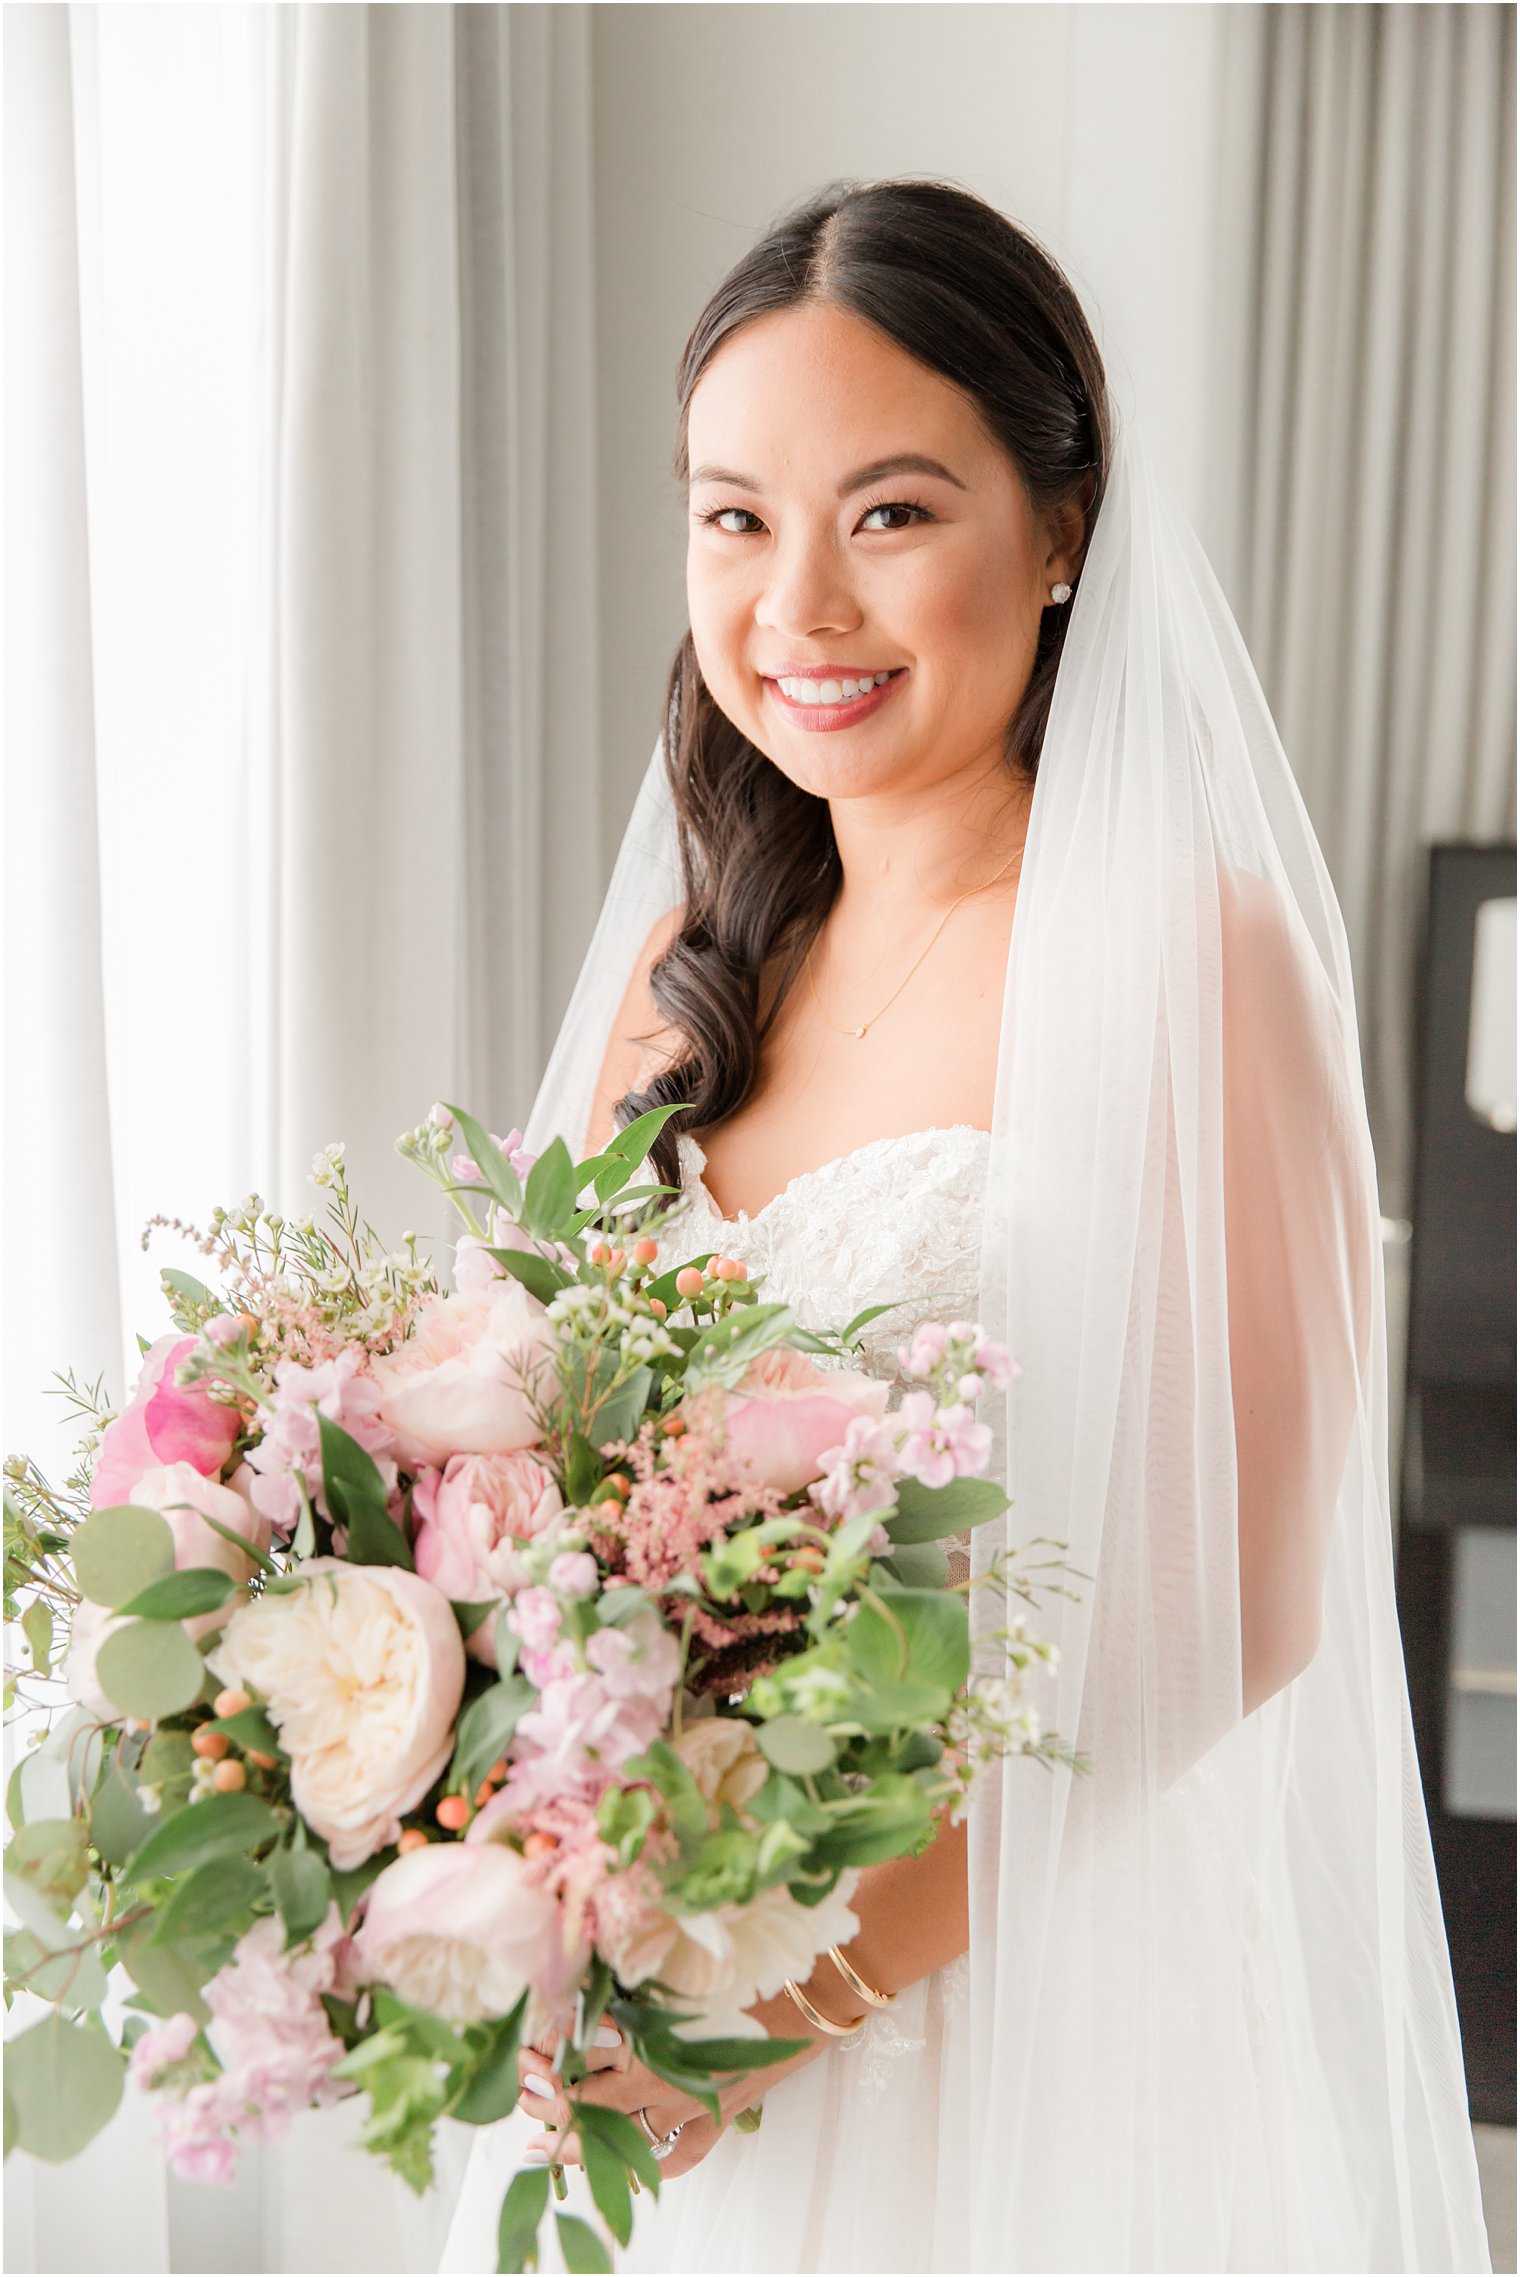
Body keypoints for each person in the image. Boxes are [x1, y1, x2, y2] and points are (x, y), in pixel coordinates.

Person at [438, 179, 1490, 2273]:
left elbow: (1241, 1596)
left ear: (1062, 526)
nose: (798, 604)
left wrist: (790, 1980)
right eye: (733, 517)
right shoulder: (678, 974)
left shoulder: (1183, 949)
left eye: (891, 513)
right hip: (663, 1958)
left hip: (1025, 1981)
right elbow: (498, 1473)